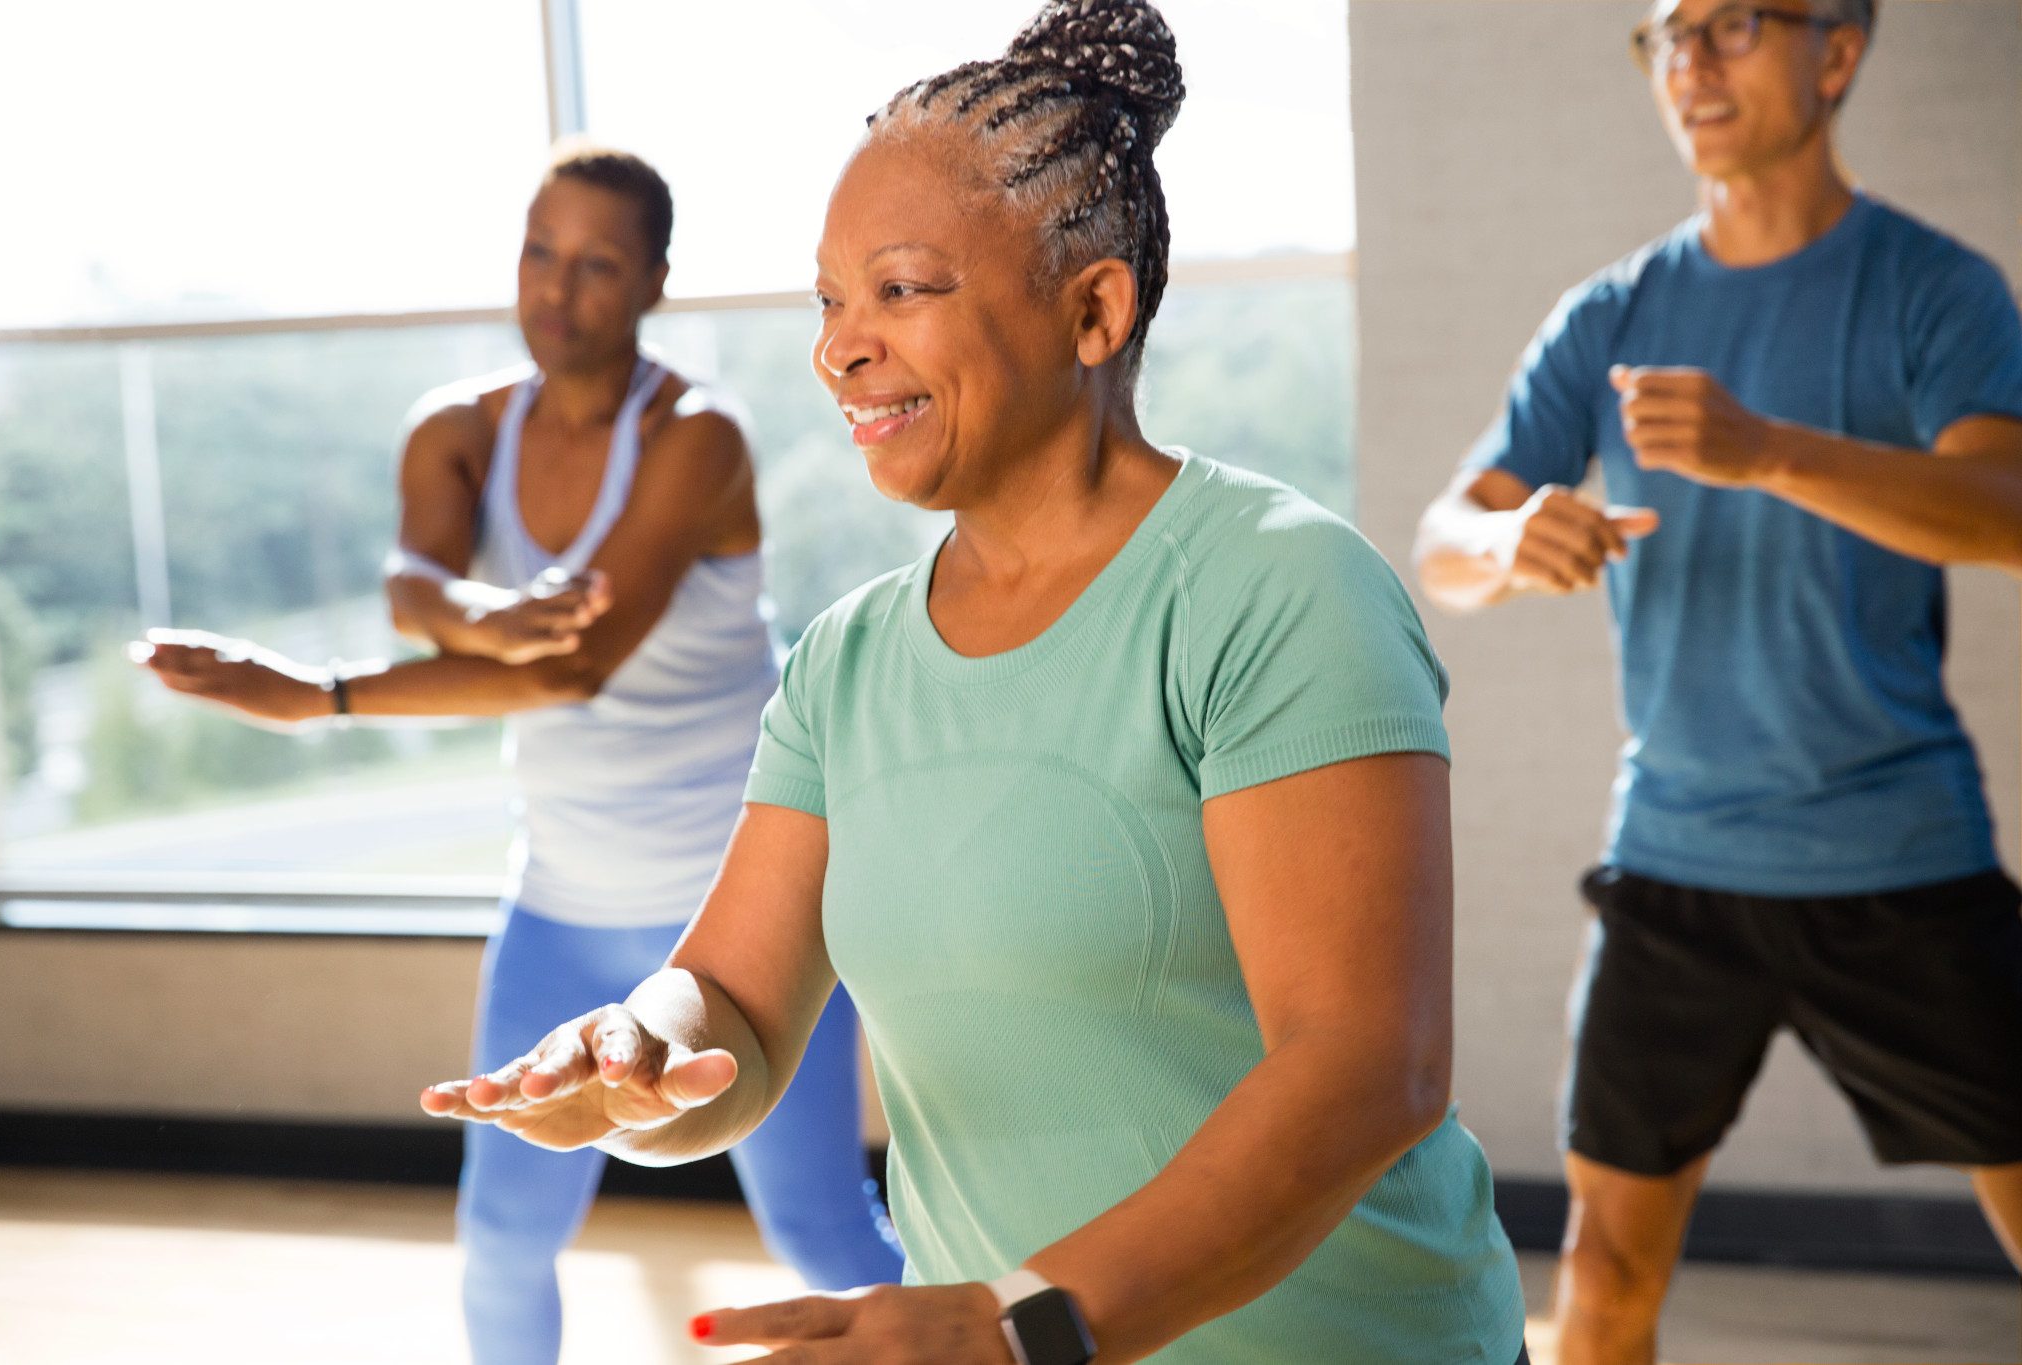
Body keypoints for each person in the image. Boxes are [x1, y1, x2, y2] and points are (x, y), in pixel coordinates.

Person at [422, 4, 1529, 1362]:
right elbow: (740, 1007)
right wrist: (637, 1053)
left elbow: (1369, 1071)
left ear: (1093, 308)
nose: (840, 347)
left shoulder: (1279, 591)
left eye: (901, 289)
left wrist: (1024, 1329)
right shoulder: (847, 663)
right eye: (831, 301)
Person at [134, 143, 902, 1365]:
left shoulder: (698, 439)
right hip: (559, 903)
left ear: (653, 281)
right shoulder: (456, 428)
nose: (556, 290)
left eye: (597, 266)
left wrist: (317, 697)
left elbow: (572, 664)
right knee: (498, 1235)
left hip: (742, 911)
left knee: (822, 1241)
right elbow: (412, 581)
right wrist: (472, 611)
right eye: (539, 254)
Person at [1411, 2, 2022, 1360]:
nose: (1690, 61)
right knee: (1607, 1269)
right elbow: (1444, 540)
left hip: (1902, 852)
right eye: (1666, 36)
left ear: (1839, 53)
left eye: (1733, 24)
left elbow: (2009, 510)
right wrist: (1510, 540)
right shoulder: (1614, 314)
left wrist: (1770, 452)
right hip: (1677, 859)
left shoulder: (1937, 289)